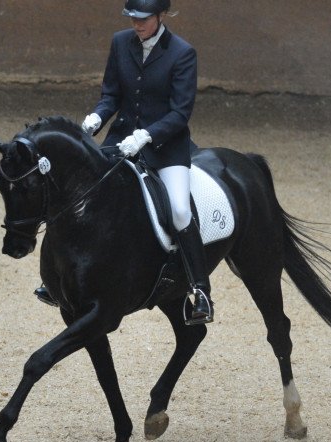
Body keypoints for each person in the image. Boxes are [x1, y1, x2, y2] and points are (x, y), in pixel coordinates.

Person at [35, 0, 213, 324]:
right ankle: (59, 278)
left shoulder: (182, 53)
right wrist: (95, 120)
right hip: (120, 141)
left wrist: (147, 136)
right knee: (81, 193)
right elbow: (111, 96)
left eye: (143, 19)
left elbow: (180, 112)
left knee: (180, 210)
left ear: (161, 16)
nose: (137, 25)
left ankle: (200, 291)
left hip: (165, 149)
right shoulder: (120, 43)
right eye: (133, 19)